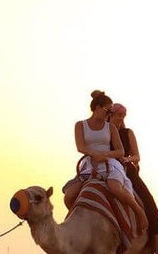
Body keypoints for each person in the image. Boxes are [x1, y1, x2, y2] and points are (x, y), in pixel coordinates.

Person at [62, 90, 148, 230]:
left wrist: (105, 155)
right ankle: (78, 221)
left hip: (109, 164)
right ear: (97, 108)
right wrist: (93, 153)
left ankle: (139, 212)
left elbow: (120, 151)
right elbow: (80, 146)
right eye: (108, 111)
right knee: (69, 196)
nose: (109, 115)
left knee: (115, 187)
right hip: (89, 164)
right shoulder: (80, 125)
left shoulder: (111, 128)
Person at [109, 103, 158, 254]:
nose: (121, 118)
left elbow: (137, 156)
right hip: (103, 169)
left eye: (123, 115)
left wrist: (127, 159)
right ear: (110, 115)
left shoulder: (127, 133)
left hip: (125, 170)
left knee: (146, 198)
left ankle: (156, 235)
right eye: (118, 115)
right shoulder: (103, 132)